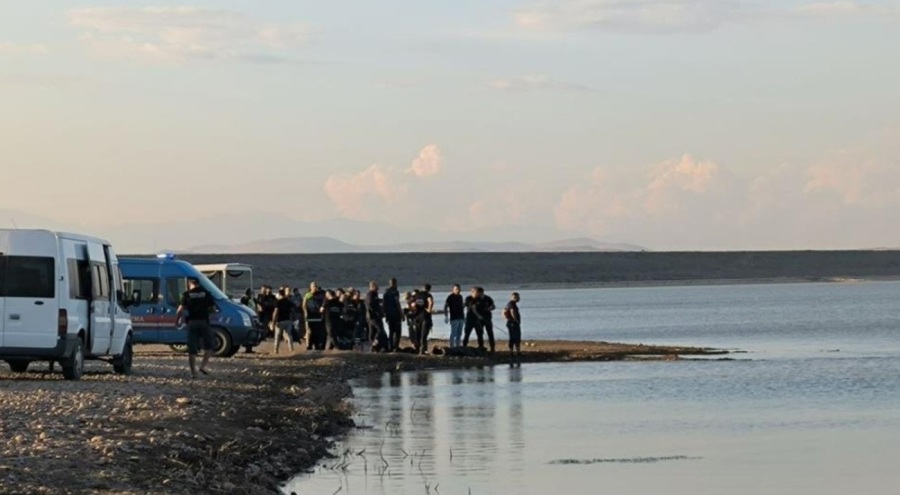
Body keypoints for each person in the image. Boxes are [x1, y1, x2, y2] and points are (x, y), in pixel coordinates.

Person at [174, 278, 216, 379]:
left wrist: (177, 320)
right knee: (210, 345)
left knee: (192, 348)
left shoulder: (186, 295)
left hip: (192, 322)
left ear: (190, 284)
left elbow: (180, 310)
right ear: (198, 284)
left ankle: (193, 373)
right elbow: (213, 308)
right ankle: (203, 366)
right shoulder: (206, 293)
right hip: (204, 322)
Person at [303, 282, 326, 350]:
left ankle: (315, 346)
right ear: (310, 287)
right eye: (313, 286)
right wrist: (305, 312)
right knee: (311, 331)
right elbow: (304, 305)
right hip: (310, 316)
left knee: (317, 331)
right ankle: (310, 346)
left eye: (315, 286)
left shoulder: (320, 294)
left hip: (318, 316)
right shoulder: (308, 295)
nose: (314, 287)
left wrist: (322, 306)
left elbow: (325, 300)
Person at [365, 281, 388, 352]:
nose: (378, 288)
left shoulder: (375, 294)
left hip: (374, 316)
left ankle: (373, 347)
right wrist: (377, 313)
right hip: (373, 316)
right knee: (379, 330)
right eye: (376, 286)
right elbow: (370, 305)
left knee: (372, 331)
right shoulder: (370, 294)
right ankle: (374, 344)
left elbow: (376, 303)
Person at [382, 278, 404, 352]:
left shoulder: (386, 292)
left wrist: (385, 314)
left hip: (389, 315)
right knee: (398, 332)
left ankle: (390, 347)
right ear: (395, 283)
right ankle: (395, 347)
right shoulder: (395, 292)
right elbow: (397, 303)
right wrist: (401, 314)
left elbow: (384, 304)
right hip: (395, 314)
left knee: (391, 331)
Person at [271, 288, 295, 354]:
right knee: (289, 335)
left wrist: (273, 322)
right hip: (288, 320)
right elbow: (292, 311)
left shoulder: (278, 302)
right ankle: (291, 349)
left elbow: (275, 312)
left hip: (279, 321)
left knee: (277, 336)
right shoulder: (288, 302)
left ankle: (276, 350)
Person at [444, 284, 465, 348]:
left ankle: (458, 346)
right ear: (453, 290)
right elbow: (445, 306)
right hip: (454, 318)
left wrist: (464, 317)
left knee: (459, 333)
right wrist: (446, 316)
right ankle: (452, 347)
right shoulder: (450, 297)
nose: (458, 290)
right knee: (454, 333)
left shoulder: (460, 296)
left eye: (459, 289)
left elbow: (461, 307)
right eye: (456, 289)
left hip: (461, 317)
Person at [504, 292, 522, 365]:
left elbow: (504, 311)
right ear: (511, 297)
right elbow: (512, 311)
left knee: (514, 337)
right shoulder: (512, 304)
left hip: (511, 323)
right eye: (515, 297)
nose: (517, 298)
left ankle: (515, 352)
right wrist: (515, 320)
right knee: (515, 337)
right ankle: (514, 352)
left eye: (517, 297)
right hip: (513, 323)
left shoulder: (510, 304)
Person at [477, 287, 497, 353]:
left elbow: (493, 306)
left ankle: (492, 347)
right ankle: (481, 347)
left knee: (490, 333)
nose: (478, 294)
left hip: (487, 318)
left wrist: (489, 308)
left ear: (482, 292)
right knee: (480, 333)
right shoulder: (476, 299)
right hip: (479, 319)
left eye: (479, 293)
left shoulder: (488, 298)